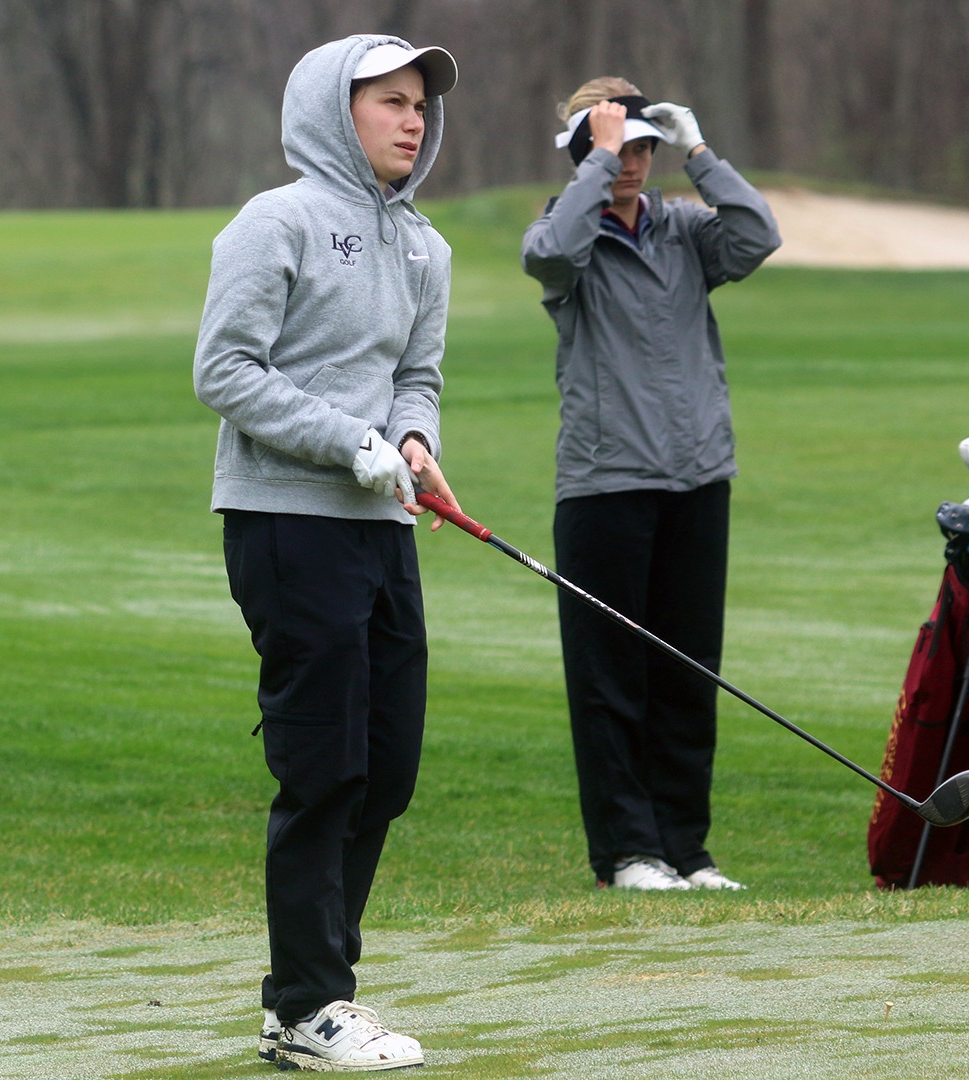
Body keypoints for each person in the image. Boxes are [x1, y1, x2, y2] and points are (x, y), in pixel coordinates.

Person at [192, 34, 462, 1072]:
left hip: (381, 527)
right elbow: (226, 370)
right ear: (329, 112)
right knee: (324, 768)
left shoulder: (425, 245)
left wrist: (409, 439)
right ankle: (312, 1002)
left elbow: (416, 376)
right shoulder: (278, 222)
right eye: (389, 101)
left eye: (419, 106)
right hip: (286, 525)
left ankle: (305, 994)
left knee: (386, 768)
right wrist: (346, 440)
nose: (412, 119)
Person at [520, 78, 781, 893]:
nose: (630, 163)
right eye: (613, 149)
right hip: (605, 485)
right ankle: (629, 852)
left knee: (688, 672)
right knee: (611, 678)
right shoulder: (566, 236)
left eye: (639, 147)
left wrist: (701, 151)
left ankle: (687, 850)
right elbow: (550, 254)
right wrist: (593, 159)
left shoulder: (684, 231)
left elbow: (758, 234)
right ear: (585, 155)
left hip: (698, 475)